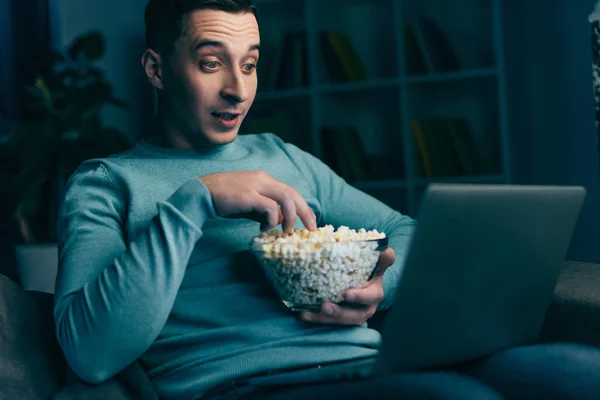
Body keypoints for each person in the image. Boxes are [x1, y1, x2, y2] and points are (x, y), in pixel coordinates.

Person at [54, 1, 600, 399]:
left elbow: (405, 228)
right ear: (155, 70)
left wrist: (381, 289)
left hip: (370, 364)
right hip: (249, 385)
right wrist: (194, 201)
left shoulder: (281, 156)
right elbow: (91, 352)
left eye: (249, 64)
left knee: (577, 372)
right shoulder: (106, 183)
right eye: (211, 62)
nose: (238, 91)